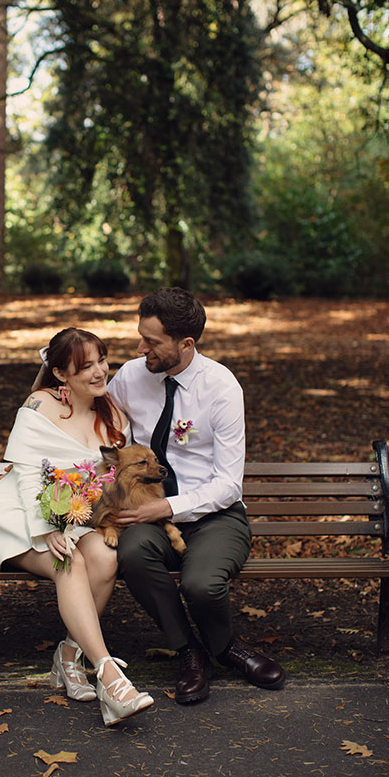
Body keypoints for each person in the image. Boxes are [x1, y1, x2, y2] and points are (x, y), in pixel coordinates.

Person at [107, 287, 285, 704]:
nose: (139, 348)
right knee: (132, 555)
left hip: (215, 516)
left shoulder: (221, 387)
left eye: (151, 342)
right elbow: (97, 425)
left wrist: (167, 505)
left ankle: (226, 649)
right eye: (140, 335)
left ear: (186, 344)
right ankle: (189, 651)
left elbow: (228, 484)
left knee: (201, 584)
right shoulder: (131, 377)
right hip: (148, 517)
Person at [0, 327, 154, 726]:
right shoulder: (40, 404)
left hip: (74, 517)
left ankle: (70, 656)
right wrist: (46, 530)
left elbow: (109, 484)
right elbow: (25, 476)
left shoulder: (114, 419)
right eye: (85, 366)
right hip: (19, 515)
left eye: (102, 361)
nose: (99, 372)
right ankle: (111, 678)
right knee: (69, 563)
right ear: (60, 374)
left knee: (106, 559)